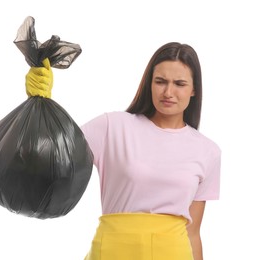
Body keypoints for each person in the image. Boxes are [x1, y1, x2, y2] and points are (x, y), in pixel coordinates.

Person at [25, 42, 221, 260]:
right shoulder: (112, 126)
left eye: (180, 84)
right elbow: (53, 154)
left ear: (194, 89)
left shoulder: (207, 151)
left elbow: (192, 233)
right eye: (160, 81)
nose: (168, 92)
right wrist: (39, 102)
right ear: (149, 83)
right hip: (112, 252)